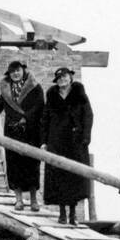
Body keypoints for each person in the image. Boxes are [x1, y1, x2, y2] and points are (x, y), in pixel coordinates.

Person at [0, 59, 44, 210]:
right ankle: (18, 200)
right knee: (14, 166)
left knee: (32, 166)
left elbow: (39, 107)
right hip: (12, 133)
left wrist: (25, 119)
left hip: (31, 133)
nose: (15, 74)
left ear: (23, 71)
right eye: (12, 72)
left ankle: (33, 200)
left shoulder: (35, 88)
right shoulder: (6, 92)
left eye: (18, 70)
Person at [40, 66, 94, 225]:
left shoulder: (79, 94)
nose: (62, 80)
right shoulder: (52, 96)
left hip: (75, 142)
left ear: (70, 77)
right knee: (59, 177)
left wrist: (85, 137)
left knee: (74, 177)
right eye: (59, 78)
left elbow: (88, 115)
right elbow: (45, 119)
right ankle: (62, 213)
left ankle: (73, 214)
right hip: (57, 142)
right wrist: (44, 141)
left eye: (65, 77)